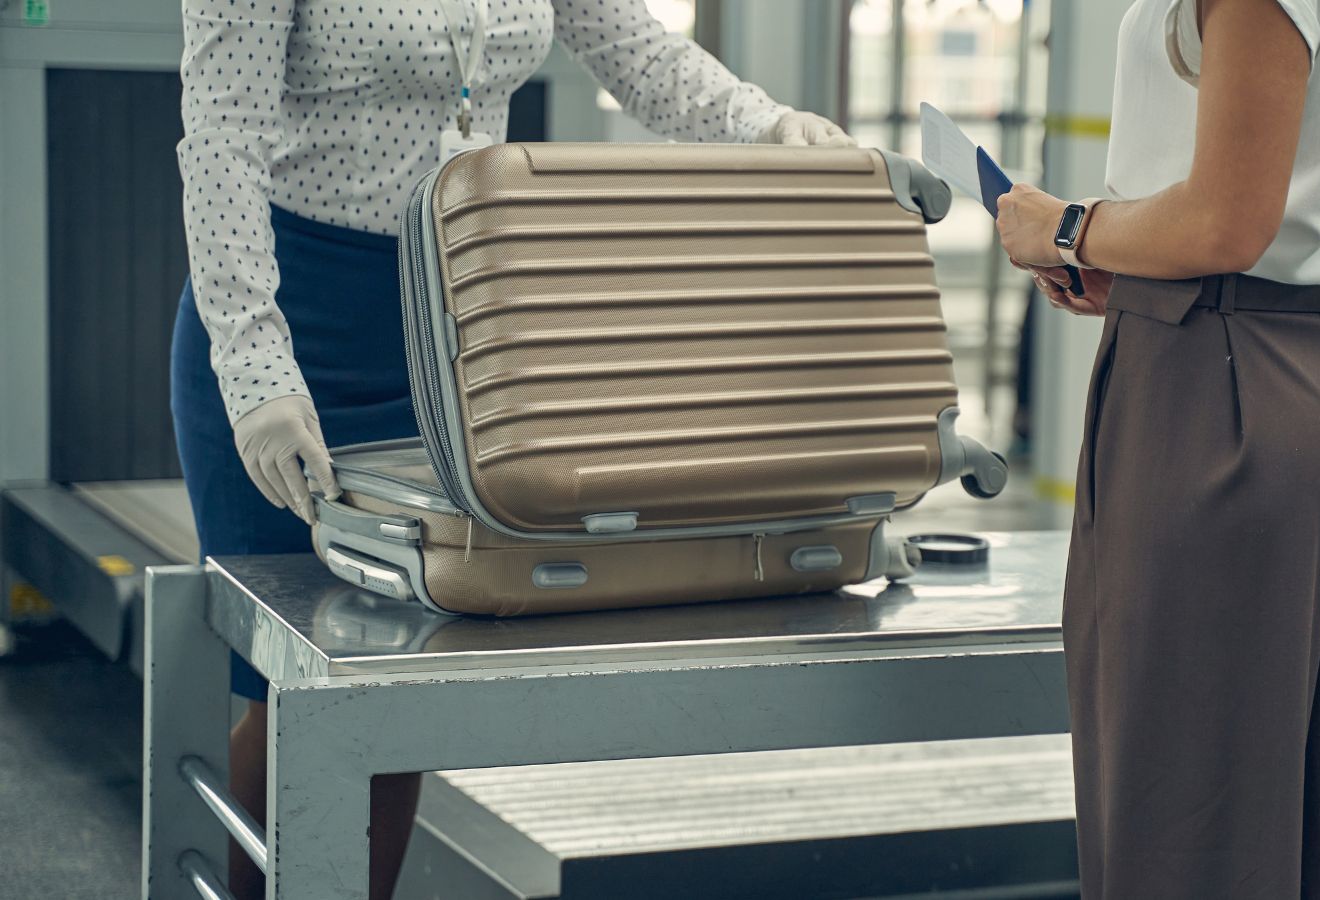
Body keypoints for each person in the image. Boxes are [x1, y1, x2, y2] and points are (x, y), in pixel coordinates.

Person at [171, 2, 851, 897]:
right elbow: (221, 134)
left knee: (399, 678)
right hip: (290, 319)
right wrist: (257, 366)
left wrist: (764, 126)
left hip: (452, 323)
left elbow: (636, 52)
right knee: (284, 684)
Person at [995, 0, 1320, 896]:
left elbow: (1227, 223)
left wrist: (1064, 228)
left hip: (1221, 398)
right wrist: (1160, 262)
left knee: (1189, 824)